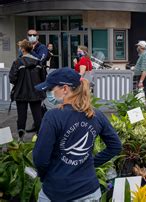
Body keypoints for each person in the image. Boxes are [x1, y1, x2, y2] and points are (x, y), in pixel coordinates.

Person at [33, 67, 122, 201]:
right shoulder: (96, 115)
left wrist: (46, 175)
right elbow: (115, 146)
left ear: (64, 89)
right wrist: (90, 163)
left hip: (57, 191)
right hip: (89, 191)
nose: (48, 93)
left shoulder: (53, 117)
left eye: (50, 89)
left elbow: (40, 159)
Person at [9, 40, 46, 139]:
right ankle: (40, 137)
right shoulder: (38, 63)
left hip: (21, 93)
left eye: (20, 47)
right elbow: (44, 79)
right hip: (36, 93)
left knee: (21, 116)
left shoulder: (17, 62)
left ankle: (21, 138)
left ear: (23, 49)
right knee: (38, 116)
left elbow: (12, 78)